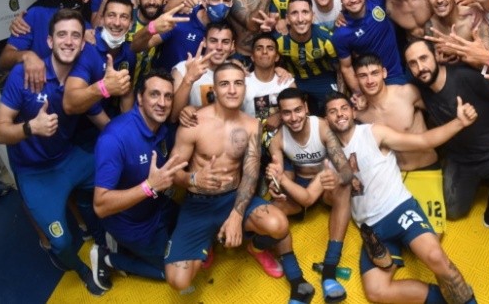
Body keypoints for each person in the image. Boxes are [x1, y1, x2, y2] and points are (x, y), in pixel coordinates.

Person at [163, 63, 315, 303]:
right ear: (214, 88)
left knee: (278, 224)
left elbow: (251, 174)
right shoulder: (194, 122)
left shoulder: (252, 126)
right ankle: (208, 240)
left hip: (234, 197)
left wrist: (236, 214)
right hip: (198, 204)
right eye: (224, 84)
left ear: (245, 87)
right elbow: (170, 173)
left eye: (238, 83)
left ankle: (253, 246)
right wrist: (193, 178)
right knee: (178, 280)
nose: (232, 90)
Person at [323, 92, 479, 304]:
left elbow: (423, 140)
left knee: (435, 257)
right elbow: (333, 201)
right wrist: (331, 190)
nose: (339, 114)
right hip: (371, 227)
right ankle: (444, 299)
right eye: (332, 111)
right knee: (376, 292)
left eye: (343, 108)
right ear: (326, 119)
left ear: (352, 111)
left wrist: (459, 122)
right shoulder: (329, 157)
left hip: (400, 209)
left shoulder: (373, 133)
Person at [0, 9, 109, 296]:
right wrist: (31, 128)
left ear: (83, 43)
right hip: (35, 174)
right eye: (61, 35)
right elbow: (0, 131)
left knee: (110, 173)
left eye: (75, 35)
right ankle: (83, 273)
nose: (68, 41)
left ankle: (102, 241)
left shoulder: (81, 76)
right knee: (61, 243)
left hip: (69, 159)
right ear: (49, 41)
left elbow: (96, 112)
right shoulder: (24, 73)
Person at [404, 39, 489, 225]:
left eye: (423, 58)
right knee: (452, 210)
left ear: (436, 55)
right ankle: (483, 180)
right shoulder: (419, 87)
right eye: (413, 63)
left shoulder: (464, 76)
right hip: (461, 158)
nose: (420, 67)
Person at [91, 70, 188, 286]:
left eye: (168, 96)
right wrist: (149, 186)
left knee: (194, 228)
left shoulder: (160, 125)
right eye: (154, 94)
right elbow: (100, 205)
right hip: (133, 224)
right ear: (139, 98)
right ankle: (109, 259)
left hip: (157, 207)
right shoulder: (115, 138)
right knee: (173, 273)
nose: (162, 103)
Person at [265, 88, 353, 303]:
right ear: (280, 114)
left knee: (344, 189)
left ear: (305, 107)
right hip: (299, 185)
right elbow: (278, 173)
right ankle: (297, 283)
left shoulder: (322, 127)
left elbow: (346, 170)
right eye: (287, 113)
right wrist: (274, 184)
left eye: (298, 110)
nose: (294, 118)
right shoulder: (277, 140)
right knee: (274, 211)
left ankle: (329, 271)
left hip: (324, 184)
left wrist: (338, 179)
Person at [352, 54, 447, 234]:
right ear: (357, 79)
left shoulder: (407, 93)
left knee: (432, 233)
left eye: (374, 73)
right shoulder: (359, 114)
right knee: (380, 227)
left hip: (424, 169)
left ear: (384, 73)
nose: (370, 80)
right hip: (393, 176)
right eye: (363, 76)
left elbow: (442, 109)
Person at [0, 0, 94, 93]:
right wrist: (27, 56)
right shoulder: (35, 15)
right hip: (29, 93)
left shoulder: (88, 32)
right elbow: (4, 60)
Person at [332, 0, 406, 95]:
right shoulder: (341, 33)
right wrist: (360, 93)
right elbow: (346, 67)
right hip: (374, 83)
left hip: (399, 72)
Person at [63, 0, 136, 116]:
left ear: (131, 23)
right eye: (111, 15)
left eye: (124, 17)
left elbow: (126, 93)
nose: (117, 23)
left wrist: (125, 129)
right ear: (101, 19)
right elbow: (69, 104)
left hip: (106, 119)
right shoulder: (87, 49)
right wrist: (103, 87)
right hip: (78, 125)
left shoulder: (129, 53)